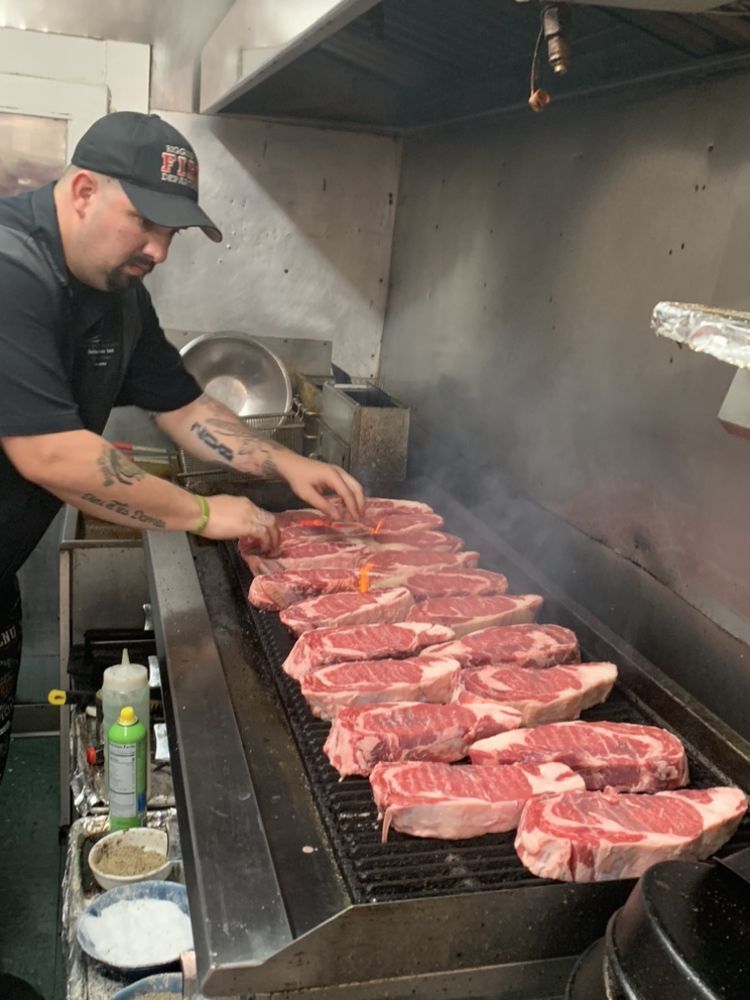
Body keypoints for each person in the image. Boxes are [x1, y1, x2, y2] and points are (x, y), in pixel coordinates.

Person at [0, 110, 365, 784]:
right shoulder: (10, 270)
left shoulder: (117, 293)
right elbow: (49, 455)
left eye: (171, 232)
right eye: (145, 222)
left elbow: (182, 402)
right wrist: (203, 514)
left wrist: (286, 462)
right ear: (83, 191)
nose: (160, 251)